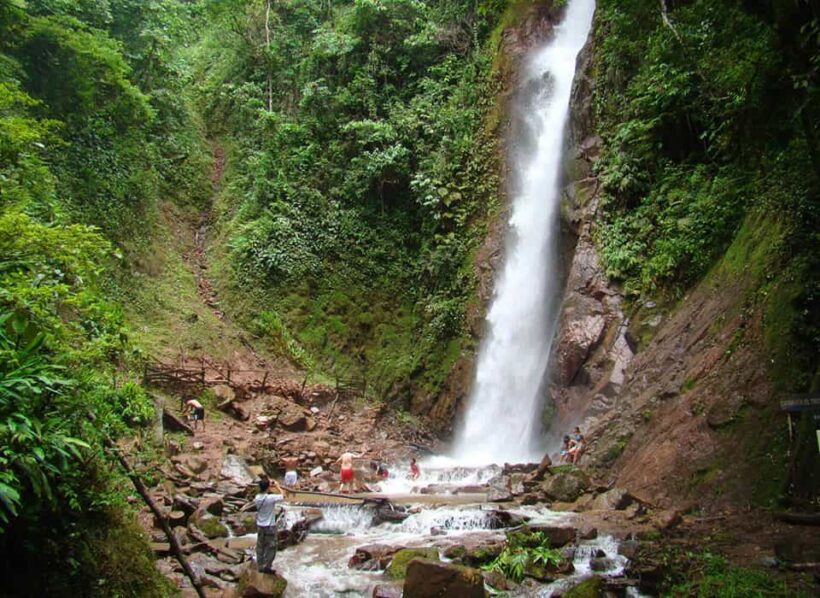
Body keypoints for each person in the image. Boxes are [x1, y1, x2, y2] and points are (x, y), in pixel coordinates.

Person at [254, 478, 286, 574]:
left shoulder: (257, 498)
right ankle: (267, 567)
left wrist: (268, 485)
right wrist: (277, 486)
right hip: (270, 526)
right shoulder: (269, 498)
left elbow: (263, 490)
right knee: (271, 546)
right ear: (268, 487)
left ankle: (260, 565)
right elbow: (283, 495)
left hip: (260, 525)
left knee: (260, 546)